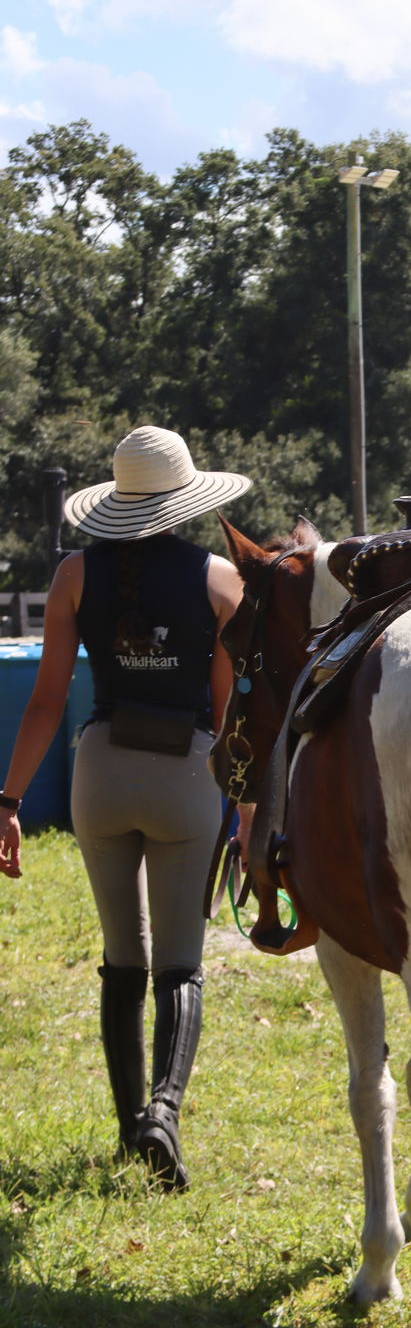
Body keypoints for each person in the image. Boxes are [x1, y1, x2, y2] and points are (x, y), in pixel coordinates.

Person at [0, 426, 252, 1190]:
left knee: (122, 960)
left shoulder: (75, 574)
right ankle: (163, 1115)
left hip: (99, 773)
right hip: (185, 776)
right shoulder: (219, 580)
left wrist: (8, 800)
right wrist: (242, 810)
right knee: (181, 961)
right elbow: (228, 710)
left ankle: (124, 1130)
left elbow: (46, 700)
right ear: (184, 499)